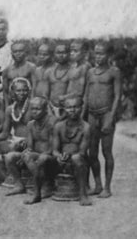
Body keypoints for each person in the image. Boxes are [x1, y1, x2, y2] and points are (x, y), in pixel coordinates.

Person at [84, 42, 122, 198]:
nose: (98, 56)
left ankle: (107, 187)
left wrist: (111, 118)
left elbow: (118, 96)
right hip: (92, 115)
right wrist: (82, 117)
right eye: (96, 53)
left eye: (101, 53)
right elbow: (86, 96)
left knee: (107, 152)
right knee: (92, 153)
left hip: (106, 114)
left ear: (108, 55)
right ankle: (98, 185)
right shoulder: (90, 72)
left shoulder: (114, 72)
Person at [4, 97, 57, 202]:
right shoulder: (31, 124)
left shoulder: (52, 122)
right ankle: (19, 185)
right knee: (10, 157)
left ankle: (47, 185)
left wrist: (32, 156)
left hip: (50, 157)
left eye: (38, 109)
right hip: (36, 155)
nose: (34, 112)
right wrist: (25, 153)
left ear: (45, 109)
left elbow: (53, 148)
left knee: (41, 158)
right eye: (32, 109)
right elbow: (30, 147)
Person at [52, 96, 92, 206]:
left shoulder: (86, 127)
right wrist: (58, 156)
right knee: (46, 158)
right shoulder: (59, 126)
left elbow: (83, 152)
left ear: (81, 108)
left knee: (76, 158)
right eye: (69, 107)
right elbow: (54, 149)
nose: (72, 110)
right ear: (64, 109)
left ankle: (83, 194)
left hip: (78, 159)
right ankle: (46, 187)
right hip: (62, 159)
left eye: (75, 107)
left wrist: (69, 155)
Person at [1, 41, 36, 106]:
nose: (18, 54)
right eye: (15, 51)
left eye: (20, 51)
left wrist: (31, 105)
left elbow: (34, 88)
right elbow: (5, 92)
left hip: (28, 103)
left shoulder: (31, 67)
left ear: (25, 52)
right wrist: (7, 107)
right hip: (13, 104)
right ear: (11, 53)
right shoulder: (7, 70)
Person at [46, 42, 70, 118]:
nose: (61, 55)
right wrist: (50, 111)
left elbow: (75, 93)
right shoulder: (49, 71)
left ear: (68, 54)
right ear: (54, 54)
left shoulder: (73, 71)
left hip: (68, 110)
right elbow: (45, 94)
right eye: (58, 53)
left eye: (64, 53)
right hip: (51, 109)